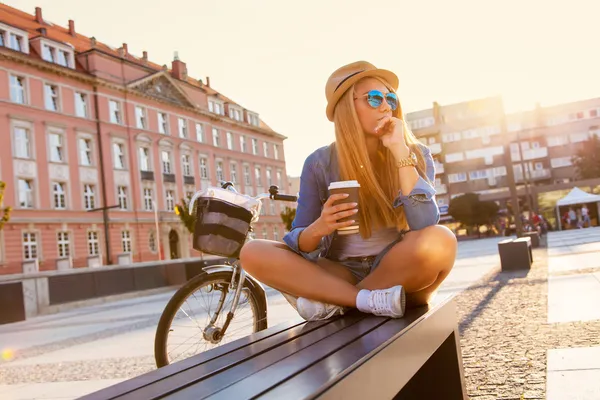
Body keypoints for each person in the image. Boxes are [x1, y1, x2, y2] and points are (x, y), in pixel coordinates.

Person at [240, 61, 457, 321]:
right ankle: (365, 300)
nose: (387, 106)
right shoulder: (320, 162)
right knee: (252, 252)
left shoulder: (416, 153)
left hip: (397, 268)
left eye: (391, 99)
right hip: (340, 269)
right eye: (374, 98)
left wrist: (400, 151)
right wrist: (321, 226)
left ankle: (338, 302)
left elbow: (424, 223)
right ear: (346, 107)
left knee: (441, 239)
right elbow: (300, 244)